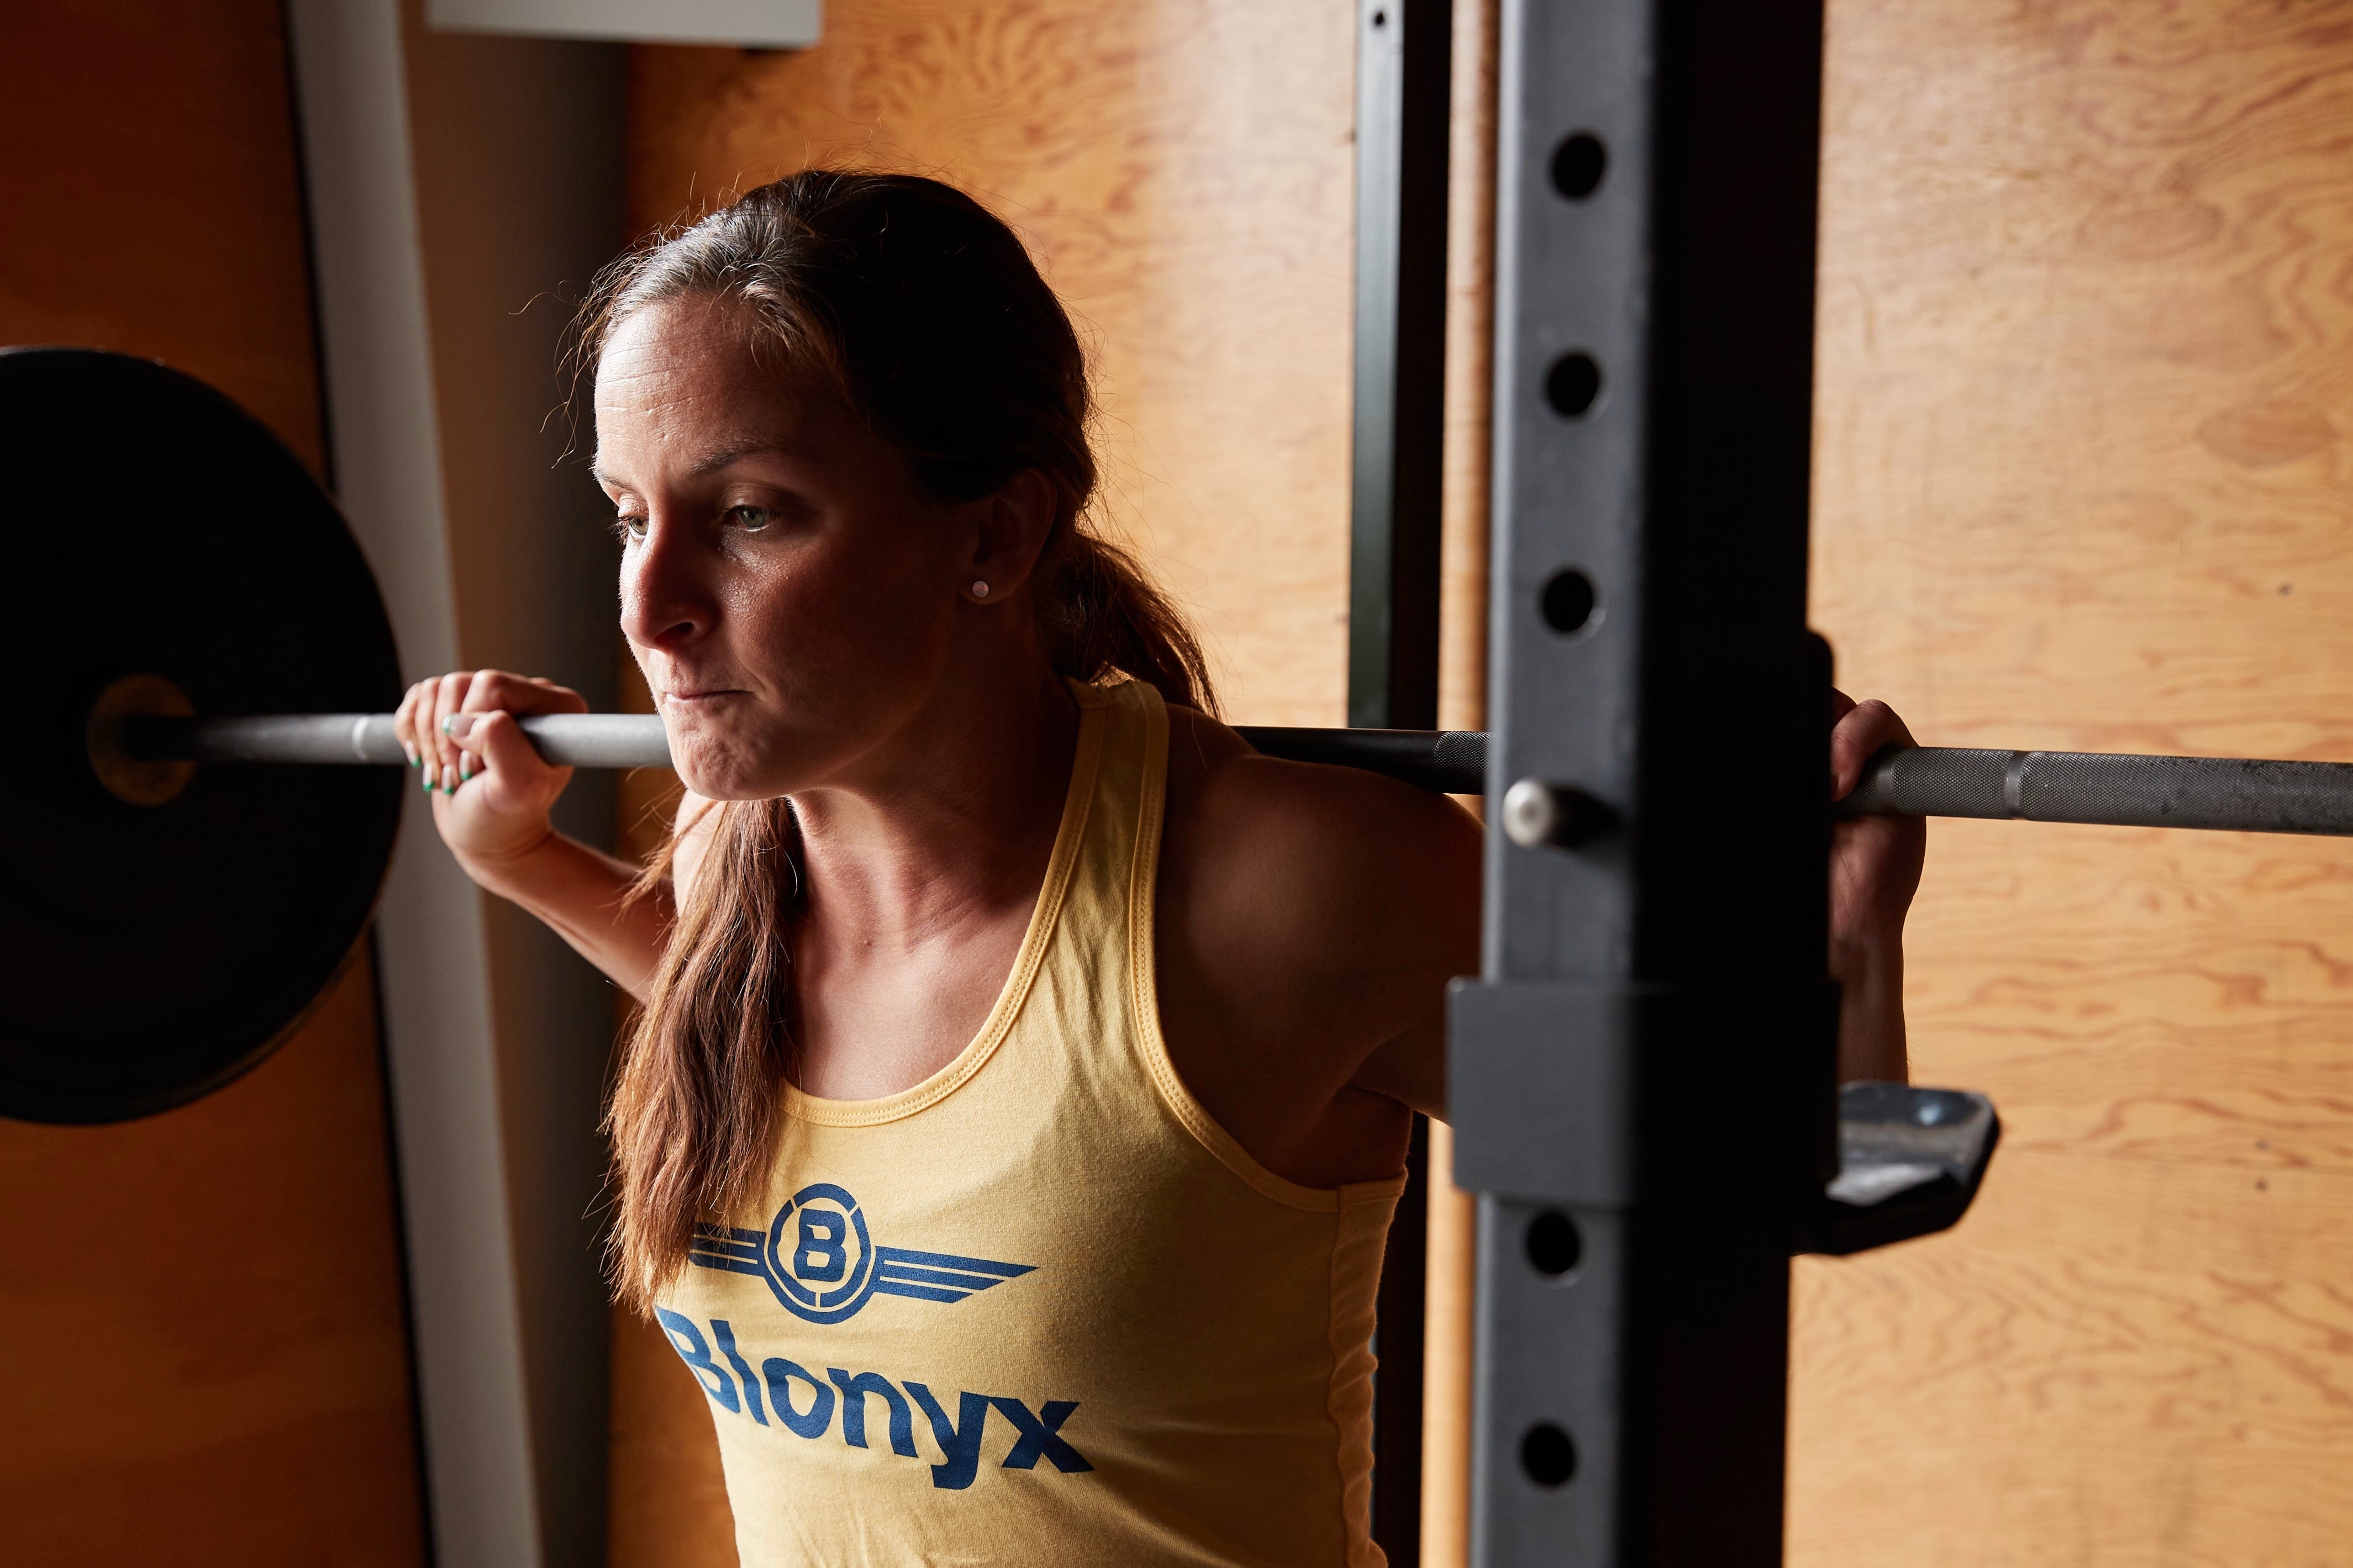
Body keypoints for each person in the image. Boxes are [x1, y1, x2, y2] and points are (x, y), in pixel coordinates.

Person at [393, 170, 1923, 1567]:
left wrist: (1837, 937)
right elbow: (867, 1072)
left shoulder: (1283, 893)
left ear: (992, 538)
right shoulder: (742, 883)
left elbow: (1742, 1181)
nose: (649, 606)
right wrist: (521, 859)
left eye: (747, 517)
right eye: (628, 516)